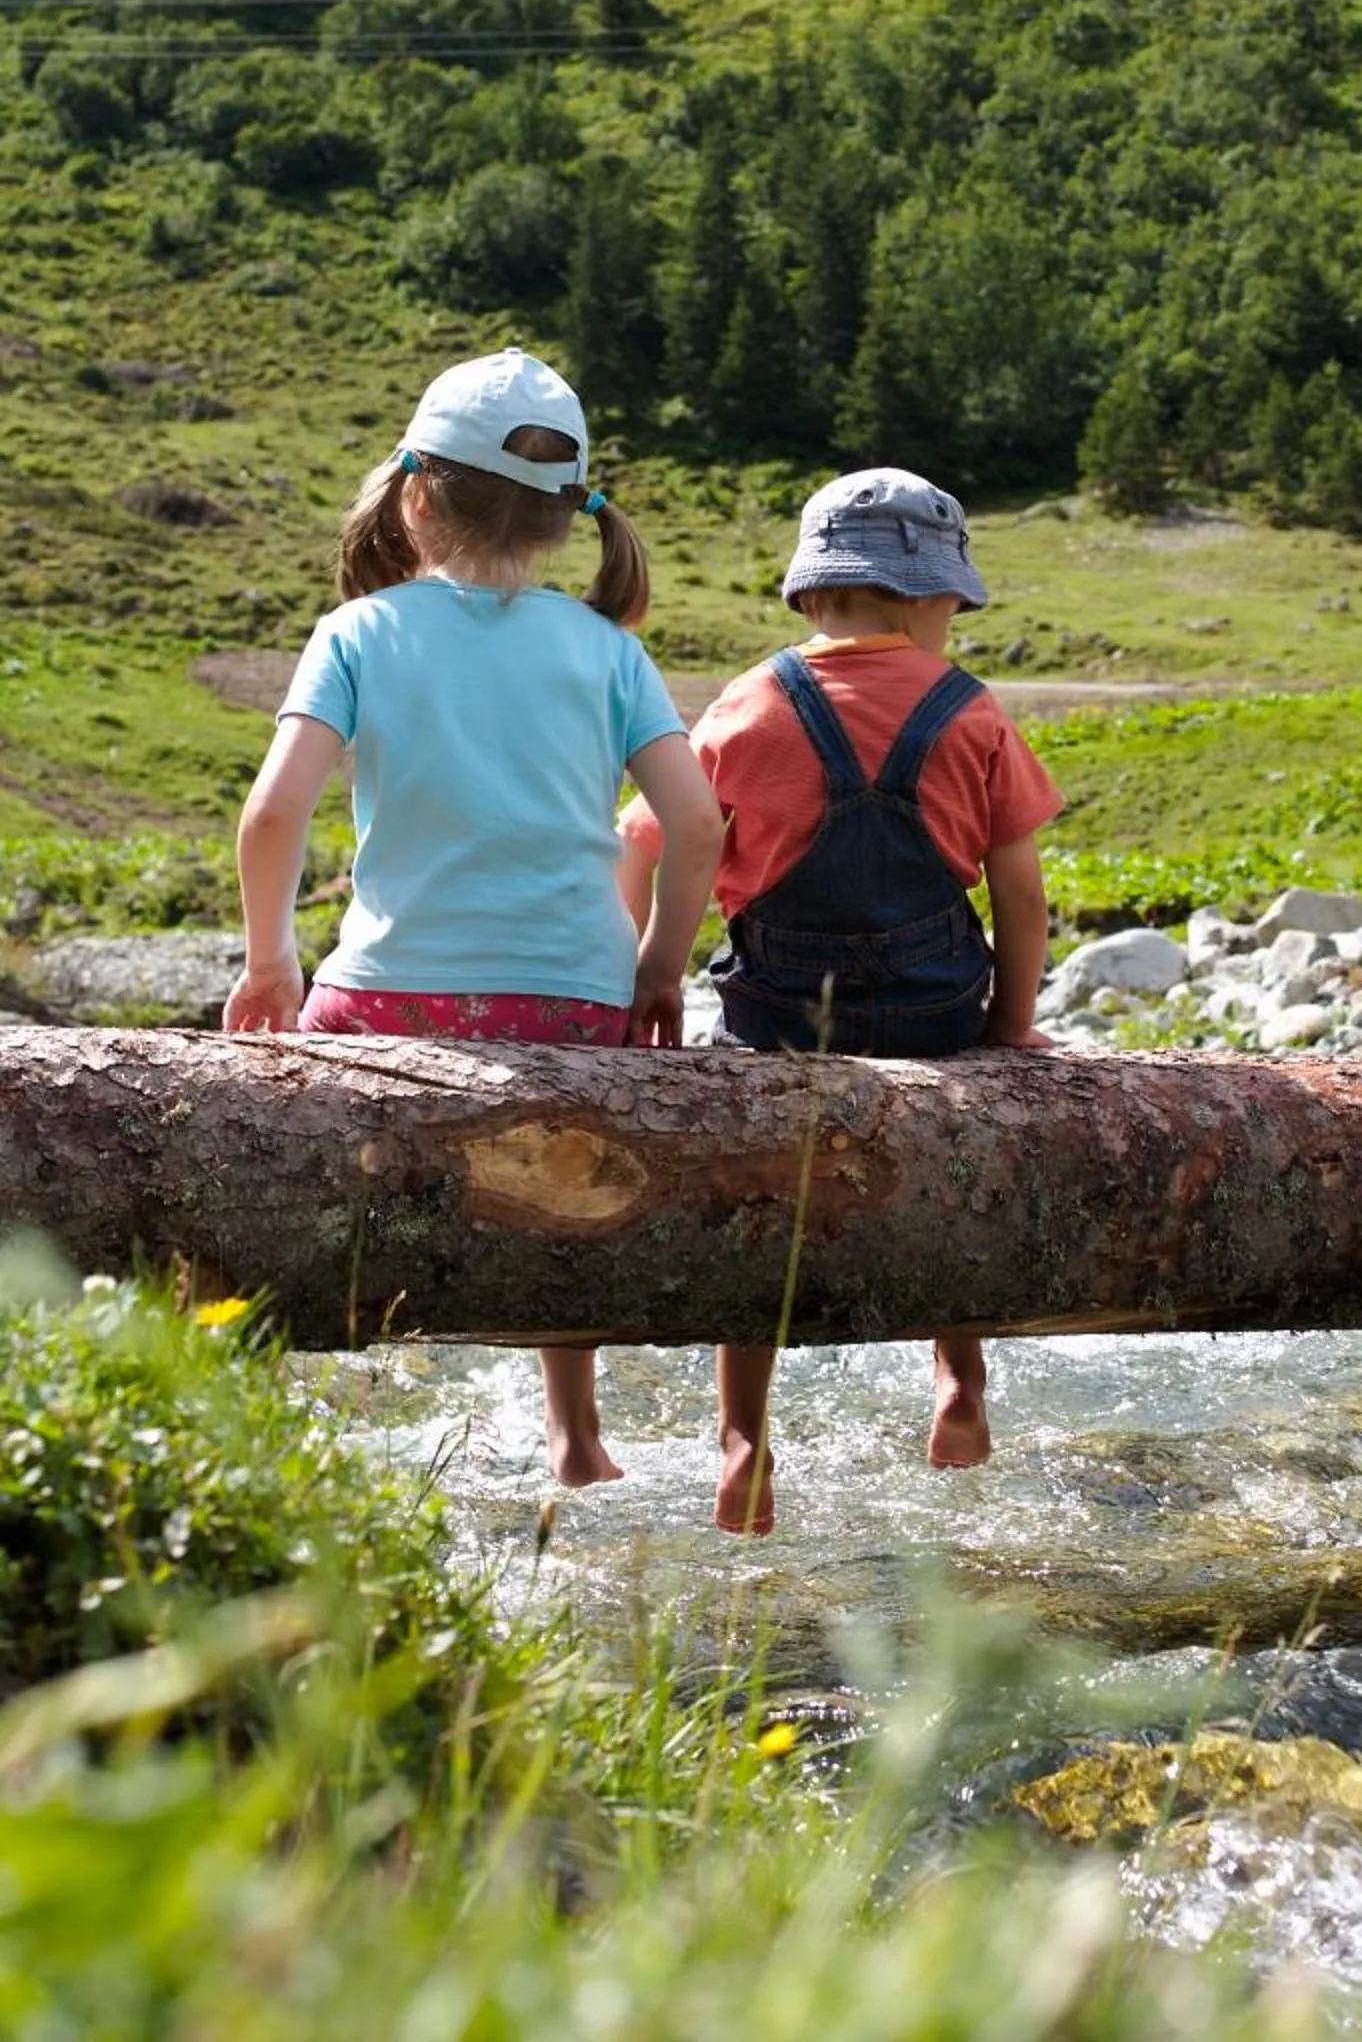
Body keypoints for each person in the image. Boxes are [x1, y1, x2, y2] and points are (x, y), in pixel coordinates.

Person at [223, 347, 722, 1489]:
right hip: (579, 1003)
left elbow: (271, 815)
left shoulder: (358, 632)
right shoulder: (610, 650)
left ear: (414, 495)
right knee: (564, 1209)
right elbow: (694, 826)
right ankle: (576, 1435)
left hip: (389, 998)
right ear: (563, 518)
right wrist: (653, 971)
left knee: (321, 1203)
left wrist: (270, 965)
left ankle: (313, 1428)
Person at [620, 465, 1062, 1537]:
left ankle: (744, 1445)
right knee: (953, 1187)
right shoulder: (972, 715)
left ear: (815, 595)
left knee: (762, 1215)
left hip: (776, 1013)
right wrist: (1007, 1030)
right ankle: (959, 1380)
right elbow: (1022, 901)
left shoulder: (749, 704)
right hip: (936, 1014)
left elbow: (644, 848)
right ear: (921, 600)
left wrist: (647, 974)